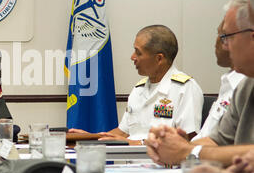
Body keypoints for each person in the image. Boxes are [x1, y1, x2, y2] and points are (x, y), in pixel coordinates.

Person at [146, 0, 254, 167]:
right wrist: (170, 145)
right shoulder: (246, 86)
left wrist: (188, 151)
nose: (224, 46)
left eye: (227, 37)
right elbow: (217, 142)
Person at [69, 24, 204, 145]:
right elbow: (123, 133)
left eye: (138, 52)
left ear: (159, 58)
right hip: (132, 166)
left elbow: (187, 139)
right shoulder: (138, 89)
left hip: (166, 169)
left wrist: (133, 143)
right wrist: (90, 138)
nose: (132, 57)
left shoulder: (185, 89)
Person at [190, 20, 245, 141]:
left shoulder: (245, 87)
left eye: (223, 37)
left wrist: (184, 149)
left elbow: (229, 147)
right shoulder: (228, 83)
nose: (217, 43)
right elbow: (209, 138)